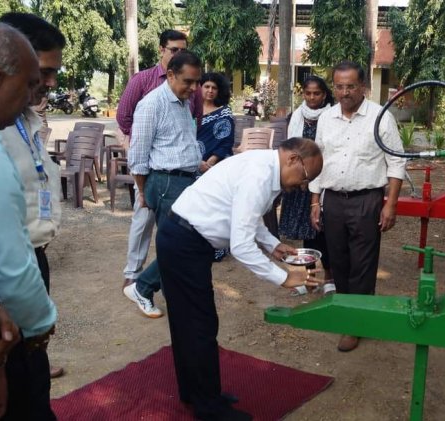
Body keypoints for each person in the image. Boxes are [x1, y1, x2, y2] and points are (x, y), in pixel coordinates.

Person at [158, 137, 323, 420]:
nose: (302, 186)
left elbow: (248, 216)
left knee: (191, 323)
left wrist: (272, 244)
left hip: (182, 238)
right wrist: (285, 277)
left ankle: (197, 393)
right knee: (199, 324)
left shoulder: (266, 169)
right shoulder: (260, 176)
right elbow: (242, 246)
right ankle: (209, 408)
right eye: (305, 177)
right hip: (183, 241)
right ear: (293, 159)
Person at [308, 61, 406, 352]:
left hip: (367, 201)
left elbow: (396, 161)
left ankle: (355, 323)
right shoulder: (326, 118)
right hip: (334, 200)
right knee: (338, 261)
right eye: (339, 86)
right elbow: (317, 159)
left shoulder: (380, 117)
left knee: (362, 263)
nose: (345, 92)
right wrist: (315, 200)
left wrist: (391, 204)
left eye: (351, 86)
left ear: (363, 87)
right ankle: (349, 309)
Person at [0, 11, 66, 380]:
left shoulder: (25, 116)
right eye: (40, 72)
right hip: (8, 276)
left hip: (33, 260)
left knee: (30, 373)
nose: (47, 83)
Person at [117, 29, 203, 294]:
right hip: (154, 174)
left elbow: (192, 124)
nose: (194, 88)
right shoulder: (144, 86)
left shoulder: (187, 95)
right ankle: (136, 280)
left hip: (179, 176)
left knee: (175, 239)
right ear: (162, 50)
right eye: (174, 49)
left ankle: (162, 286)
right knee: (145, 225)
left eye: (182, 49)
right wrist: (143, 186)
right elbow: (125, 120)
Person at [280, 75, 336, 296]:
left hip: (323, 182)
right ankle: (310, 278)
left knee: (323, 232)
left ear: (324, 95)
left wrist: (316, 181)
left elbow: (330, 153)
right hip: (299, 185)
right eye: (308, 93)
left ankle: (330, 277)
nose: (312, 97)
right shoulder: (296, 116)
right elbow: (289, 149)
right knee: (306, 234)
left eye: (317, 93)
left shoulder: (332, 116)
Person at [197, 72, 235, 262]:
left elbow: (226, 142)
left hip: (216, 168)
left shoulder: (224, 113)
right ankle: (196, 247)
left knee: (215, 208)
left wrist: (209, 164)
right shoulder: (189, 110)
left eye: (214, 88)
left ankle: (216, 249)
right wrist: (197, 163)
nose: (210, 91)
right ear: (199, 88)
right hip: (191, 166)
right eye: (206, 87)